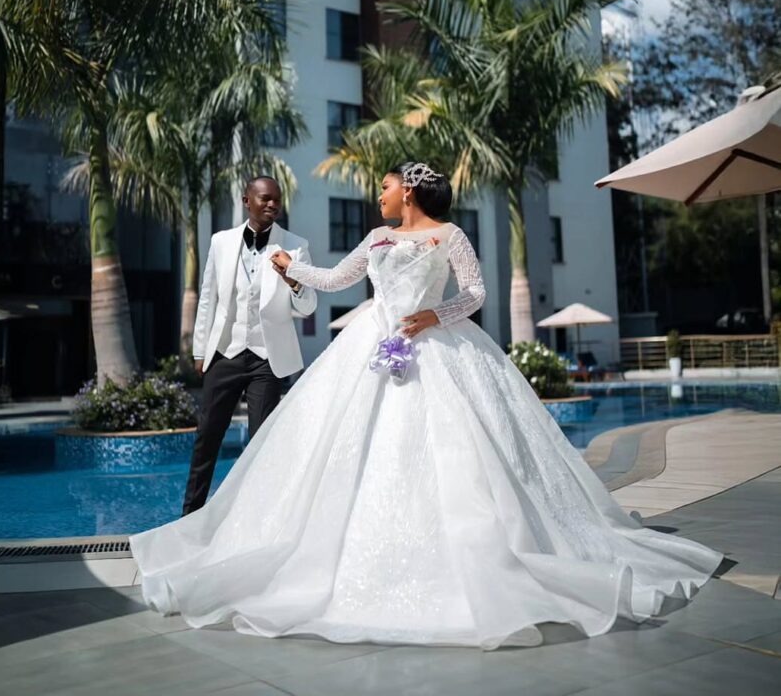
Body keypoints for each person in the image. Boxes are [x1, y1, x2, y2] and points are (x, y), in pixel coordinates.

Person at [130, 162, 721, 650]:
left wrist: (434, 315)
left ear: (407, 190)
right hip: (372, 348)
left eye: (385, 187)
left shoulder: (450, 236)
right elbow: (336, 281)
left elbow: (477, 293)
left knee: (459, 450)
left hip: (438, 348)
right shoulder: (377, 238)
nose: (379, 195)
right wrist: (291, 269)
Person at [180, 175, 316, 515]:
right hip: (225, 353)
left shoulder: (296, 246)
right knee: (207, 437)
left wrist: (293, 280)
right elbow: (208, 299)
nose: (272, 204)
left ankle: (258, 519)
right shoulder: (221, 242)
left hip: (267, 360)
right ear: (247, 201)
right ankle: (190, 515)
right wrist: (200, 352)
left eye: (277, 200)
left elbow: (308, 305)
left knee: (262, 444)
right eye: (265, 198)